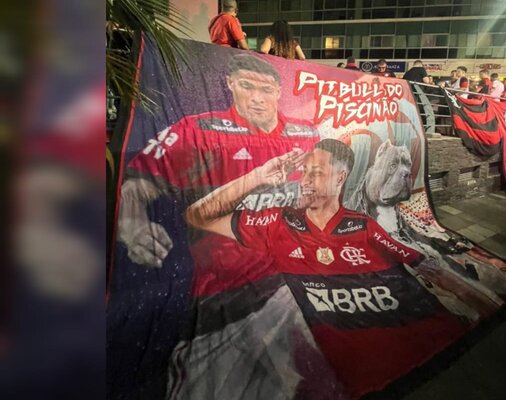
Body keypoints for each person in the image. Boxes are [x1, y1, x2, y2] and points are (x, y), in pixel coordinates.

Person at [185, 138, 466, 397]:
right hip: (340, 381)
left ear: (340, 178)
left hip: (431, 368)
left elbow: (430, 268)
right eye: (303, 172)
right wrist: (258, 177)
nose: (304, 181)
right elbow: (197, 215)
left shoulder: (364, 225)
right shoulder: (279, 222)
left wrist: (474, 298)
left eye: (315, 173)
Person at [118, 54, 319, 297]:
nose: (257, 98)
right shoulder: (198, 131)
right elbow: (137, 184)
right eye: (247, 86)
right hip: (228, 290)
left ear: (278, 91)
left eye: (266, 89)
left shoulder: (307, 133)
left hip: (300, 277)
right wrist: (131, 222)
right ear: (230, 83)